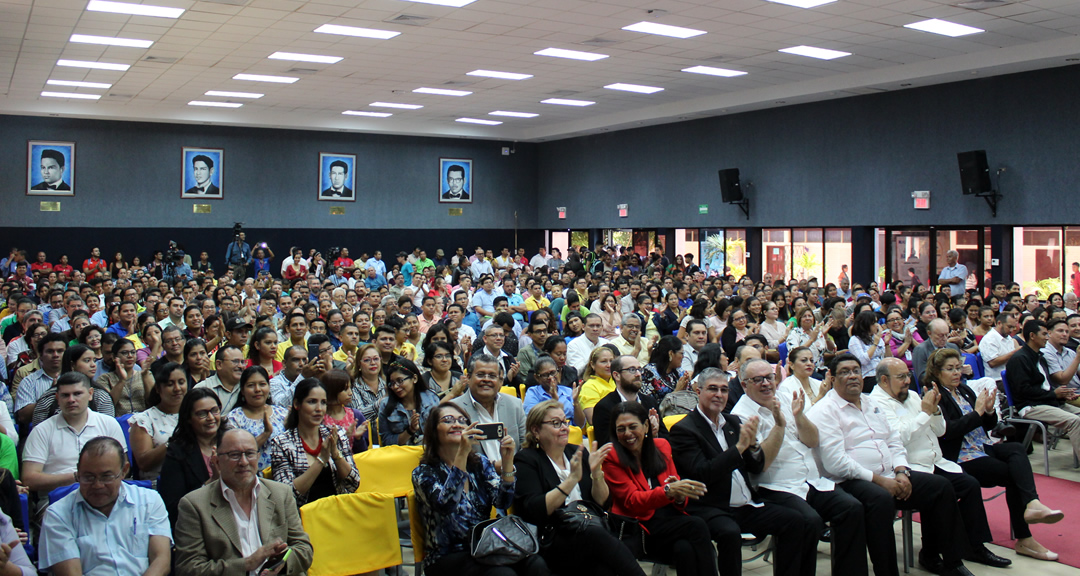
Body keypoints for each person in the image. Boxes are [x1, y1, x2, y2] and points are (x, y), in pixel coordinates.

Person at [806, 353, 975, 576]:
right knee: (881, 499)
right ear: (832, 377)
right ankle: (887, 571)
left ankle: (948, 561)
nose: (853, 376)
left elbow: (893, 441)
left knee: (940, 487)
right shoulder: (825, 410)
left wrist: (902, 471)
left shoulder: (870, 403)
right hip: (850, 480)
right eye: (845, 372)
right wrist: (880, 480)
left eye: (856, 370)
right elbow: (836, 463)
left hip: (889, 472)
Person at [670, 366, 817, 576]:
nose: (719, 395)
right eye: (713, 389)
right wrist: (738, 448)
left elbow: (755, 466)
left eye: (724, 390)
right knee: (729, 533)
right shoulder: (684, 430)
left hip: (746, 504)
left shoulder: (733, 422)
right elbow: (703, 473)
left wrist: (768, 434)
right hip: (713, 506)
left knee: (795, 521)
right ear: (698, 391)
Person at [870, 356, 1011, 569]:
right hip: (907, 466)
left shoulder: (912, 397)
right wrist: (925, 412)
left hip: (935, 460)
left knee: (969, 485)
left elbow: (941, 430)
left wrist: (935, 411)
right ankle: (939, 557)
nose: (907, 381)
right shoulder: (876, 404)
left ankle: (975, 547)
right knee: (940, 490)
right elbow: (898, 438)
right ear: (883, 380)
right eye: (901, 377)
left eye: (908, 375)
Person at [928, 348, 1064, 562]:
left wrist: (989, 411)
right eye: (949, 369)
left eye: (958, 368)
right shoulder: (935, 395)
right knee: (1013, 475)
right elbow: (947, 433)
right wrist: (978, 413)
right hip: (960, 456)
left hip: (981, 447)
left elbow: (987, 426)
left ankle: (1032, 505)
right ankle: (1023, 537)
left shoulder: (964, 390)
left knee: (1017, 449)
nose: (956, 373)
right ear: (937, 372)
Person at [515, 400, 643, 576]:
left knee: (603, 569)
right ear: (536, 430)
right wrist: (571, 480)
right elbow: (534, 510)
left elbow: (603, 502)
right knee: (595, 535)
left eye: (565, 422)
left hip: (588, 533)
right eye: (555, 423)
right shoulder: (527, 460)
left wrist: (597, 474)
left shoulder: (577, 452)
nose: (564, 428)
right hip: (553, 540)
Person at [412, 402, 538, 575]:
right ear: (434, 431)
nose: (457, 424)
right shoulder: (423, 473)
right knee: (502, 574)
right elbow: (446, 506)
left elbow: (502, 501)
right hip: (448, 555)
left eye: (462, 420)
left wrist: (508, 463)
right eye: (448, 420)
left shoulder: (479, 463)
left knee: (534, 563)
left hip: (486, 545)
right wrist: (463, 453)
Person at [173, 428, 314, 576]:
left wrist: (281, 566)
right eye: (234, 455)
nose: (244, 462)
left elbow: (303, 548)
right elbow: (188, 568)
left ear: (258, 457)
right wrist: (246, 564)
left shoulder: (281, 493)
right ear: (217, 462)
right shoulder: (194, 504)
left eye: (249, 454)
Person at [603, 401, 716, 576]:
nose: (627, 434)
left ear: (646, 425)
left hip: (670, 522)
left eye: (633, 426)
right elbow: (632, 502)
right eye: (621, 429)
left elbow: (679, 498)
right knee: (697, 524)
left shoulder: (662, 446)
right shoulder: (612, 457)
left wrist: (678, 496)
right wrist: (668, 491)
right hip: (640, 527)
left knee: (684, 549)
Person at [39, 437, 172, 576]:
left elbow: (161, 561)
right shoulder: (58, 514)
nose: (97, 485)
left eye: (106, 477)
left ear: (124, 471)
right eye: (88, 477)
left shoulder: (149, 501)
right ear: (78, 473)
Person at [23, 372, 128, 509]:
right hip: (57, 501)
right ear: (57, 398)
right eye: (65, 395)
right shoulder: (42, 430)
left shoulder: (109, 424)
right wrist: (77, 477)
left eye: (77, 394)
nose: (71, 400)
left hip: (106, 495)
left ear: (90, 394)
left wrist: (91, 479)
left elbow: (124, 466)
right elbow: (29, 479)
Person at [268, 378, 360, 507]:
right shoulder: (281, 443)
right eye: (312, 402)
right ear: (296, 404)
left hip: (338, 512)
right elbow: (288, 495)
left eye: (323, 403)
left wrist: (336, 456)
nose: (319, 409)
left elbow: (354, 483)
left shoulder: (336, 434)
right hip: (302, 519)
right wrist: (321, 460)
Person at [1004, 319, 1080, 463]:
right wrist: (1053, 394)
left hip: (1046, 401)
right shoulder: (1019, 359)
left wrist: (1063, 395)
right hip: (1030, 406)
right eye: (1044, 334)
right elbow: (1023, 391)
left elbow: (1046, 387)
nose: (1047, 337)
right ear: (1032, 336)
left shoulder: (1039, 357)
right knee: (1074, 421)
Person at [158, 388, 223, 527]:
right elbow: (173, 506)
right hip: (199, 524)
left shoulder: (231, 441)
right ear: (188, 418)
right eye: (202, 414)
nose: (211, 418)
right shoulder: (177, 453)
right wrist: (211, 482)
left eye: (214, 410)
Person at [451, 354, 526, 473]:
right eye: (480, 375)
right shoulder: (454, 409)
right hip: (474, 481)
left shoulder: (515, 405)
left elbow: (525, 446)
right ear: (468, 378)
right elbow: (450, 456)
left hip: (513, 476)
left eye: (492, 376)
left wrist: (509, 468)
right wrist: (492, 468)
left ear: (501, 381)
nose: (486, 379)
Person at [129, 361, 187, 482]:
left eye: (181, 382)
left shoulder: (193, 414)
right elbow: (144, 463)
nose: (177, 388)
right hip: (160, 485)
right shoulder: (144, 420)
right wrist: (173, 441)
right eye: (170, 384)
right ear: (158, 389)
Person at [226, 366, 289, 471]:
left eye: (262, 384)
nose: (257, 389)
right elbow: (236, 453)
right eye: (251, 385)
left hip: (283, 477)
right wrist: (266, 434)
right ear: (242, 390)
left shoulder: (282, 413)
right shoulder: (234, 419)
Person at [378, 358, 440, 446]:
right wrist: (410, 430)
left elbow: (440, 432)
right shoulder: (385, 405)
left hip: (429, 452)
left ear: (414, 378)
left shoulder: (431, 398)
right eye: (392, 383)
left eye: (400, 381)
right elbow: (386, 441)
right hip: (401, 455)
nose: (395, 387)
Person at [194, 345, 244, 414]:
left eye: (242, 362)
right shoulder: (203, 388)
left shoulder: (247, 387)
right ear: (219, 364)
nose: (240, 366)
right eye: (235, 361)